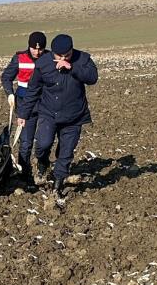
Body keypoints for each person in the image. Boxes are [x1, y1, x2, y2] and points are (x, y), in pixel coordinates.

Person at [16, 34, 98, 198]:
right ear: (52, 52)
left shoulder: (82, 59)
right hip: (48, 113)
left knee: (66, 153)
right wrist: (23, 113)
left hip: (74, 116)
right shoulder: (43, 64)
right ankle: (43, 161)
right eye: (58, 56)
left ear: (71, 50)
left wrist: (72, 68)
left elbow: (92, 78)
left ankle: (57, 185)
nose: (62, 59)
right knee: (43, 144)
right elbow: (33, 90)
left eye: (66, 55)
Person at [0, 31, 48, 182]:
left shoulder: (50, 58)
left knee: (44, 140)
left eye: (40, 49)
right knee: (26, 142)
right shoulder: (19, 58)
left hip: (46, 104)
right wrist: (10, 93)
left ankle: (42, 166)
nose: (37, 52)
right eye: (34, 48)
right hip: (25, 105)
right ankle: (24, 174)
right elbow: (6, 77)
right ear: (29, 46)